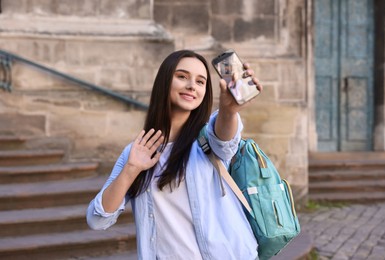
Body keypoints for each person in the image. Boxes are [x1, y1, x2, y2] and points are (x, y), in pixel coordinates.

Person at [86, 49, 263, 259]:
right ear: (164, 82)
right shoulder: (135, 152)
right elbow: (97, 220)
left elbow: (225, 141)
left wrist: (229, 110)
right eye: (182, 76)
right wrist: (132, 169)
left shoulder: (207, 139)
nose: (191, 86)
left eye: (200, 81)